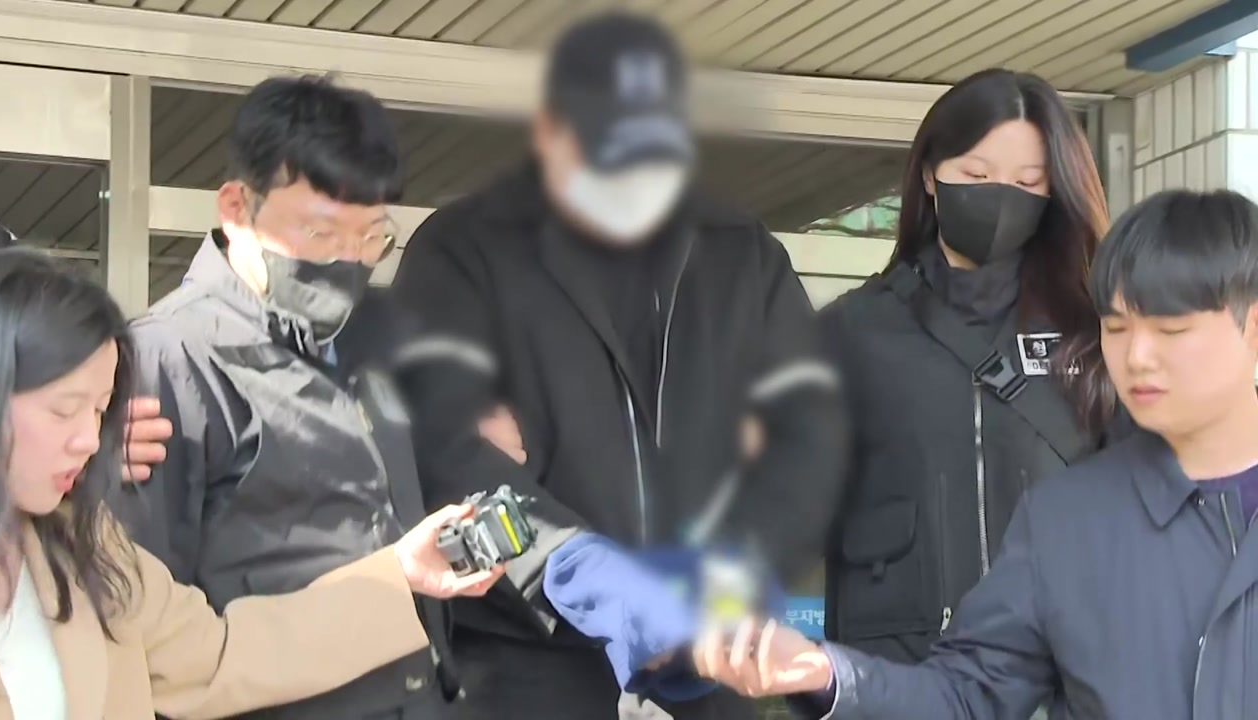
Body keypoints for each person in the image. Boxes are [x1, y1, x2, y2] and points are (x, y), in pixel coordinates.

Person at [390, 11, 846, 720]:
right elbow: (446, 453)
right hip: (526, 666)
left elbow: (810, 441)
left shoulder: (742, 255)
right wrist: (606, 590)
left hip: (713, 667)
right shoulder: (464, 251)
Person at [694, 188, 1258, 719]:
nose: (1136, 357)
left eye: (1171, 330)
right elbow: (966, 694)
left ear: (1252, 328)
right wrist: (828, 673)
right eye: (1116, 327)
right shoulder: (1066, 521)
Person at [0, 249, 504, 720]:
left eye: (99, 411)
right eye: (63, 410)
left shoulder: (84, 544)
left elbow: (219, 655)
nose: (90, 441)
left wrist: (398, 574)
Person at [107, 74, 476, 719]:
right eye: (321, 234)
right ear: (235, 208)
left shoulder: (369, 339)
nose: (347, 262)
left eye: (371, 238)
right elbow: (142, 631)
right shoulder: (169, 359)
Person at [814, 68, 1125, 665]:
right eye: (977, 175)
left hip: (1060, 667)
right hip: (900, 669)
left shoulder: (1094, 331)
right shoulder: (851, 331)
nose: (1000, 196)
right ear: (930, 174)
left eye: (1027, 181)